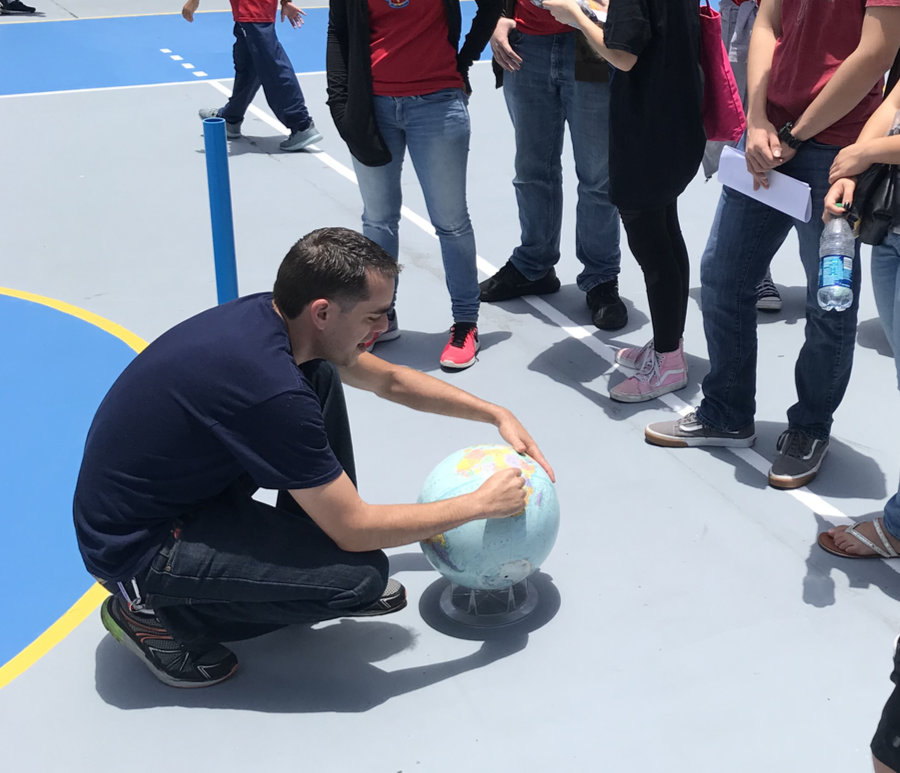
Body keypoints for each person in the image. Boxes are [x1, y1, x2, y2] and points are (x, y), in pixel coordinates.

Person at [73, 227, 554, 688]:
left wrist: (495, 414)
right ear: (323, 312)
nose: (385, 326)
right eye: (374, 315)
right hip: (139, 546)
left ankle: (294, 555)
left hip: (182, 493)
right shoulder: (272, 390)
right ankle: (153, 614)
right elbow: (355, 528)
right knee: (357, 579)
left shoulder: (279, 322)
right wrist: (479, 505)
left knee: (319, 376)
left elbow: (390, 380)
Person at [645, 0, 900, 487]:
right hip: (767, 137)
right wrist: (758, 117)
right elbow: (766, 22)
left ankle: (809, 428)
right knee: (722, 277)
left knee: (830, 301)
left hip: (835, 151)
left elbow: (875, 53)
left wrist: (794, 135)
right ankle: (726, 411)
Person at [542, 0, 704, 402]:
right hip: (677, 116)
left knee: (653, 248)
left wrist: (575, 16)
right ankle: (669, 344)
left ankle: (668, 362)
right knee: (667, 233)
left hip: (646, 126)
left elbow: (624, 56)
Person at [325, 0, 499, 369]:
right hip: (372, 107)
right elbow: (338, 31)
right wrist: (339, 103)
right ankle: (379, 318)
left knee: (451, 222)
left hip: (437, 104)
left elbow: (492, 5)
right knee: (377, 220)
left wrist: (463, 60)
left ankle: (466, 323)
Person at [478, 0, 628, 332]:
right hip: (525, 43)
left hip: (589, 40)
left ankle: (601, 278)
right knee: (532, 170)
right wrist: (498, 17)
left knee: (597, 175)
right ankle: (534, 265)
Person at [182, 0, 322, 152]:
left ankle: (301, 124)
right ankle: (231, 118)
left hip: (252, 8)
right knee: (248, 64)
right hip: (250, 10)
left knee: (272, 66)